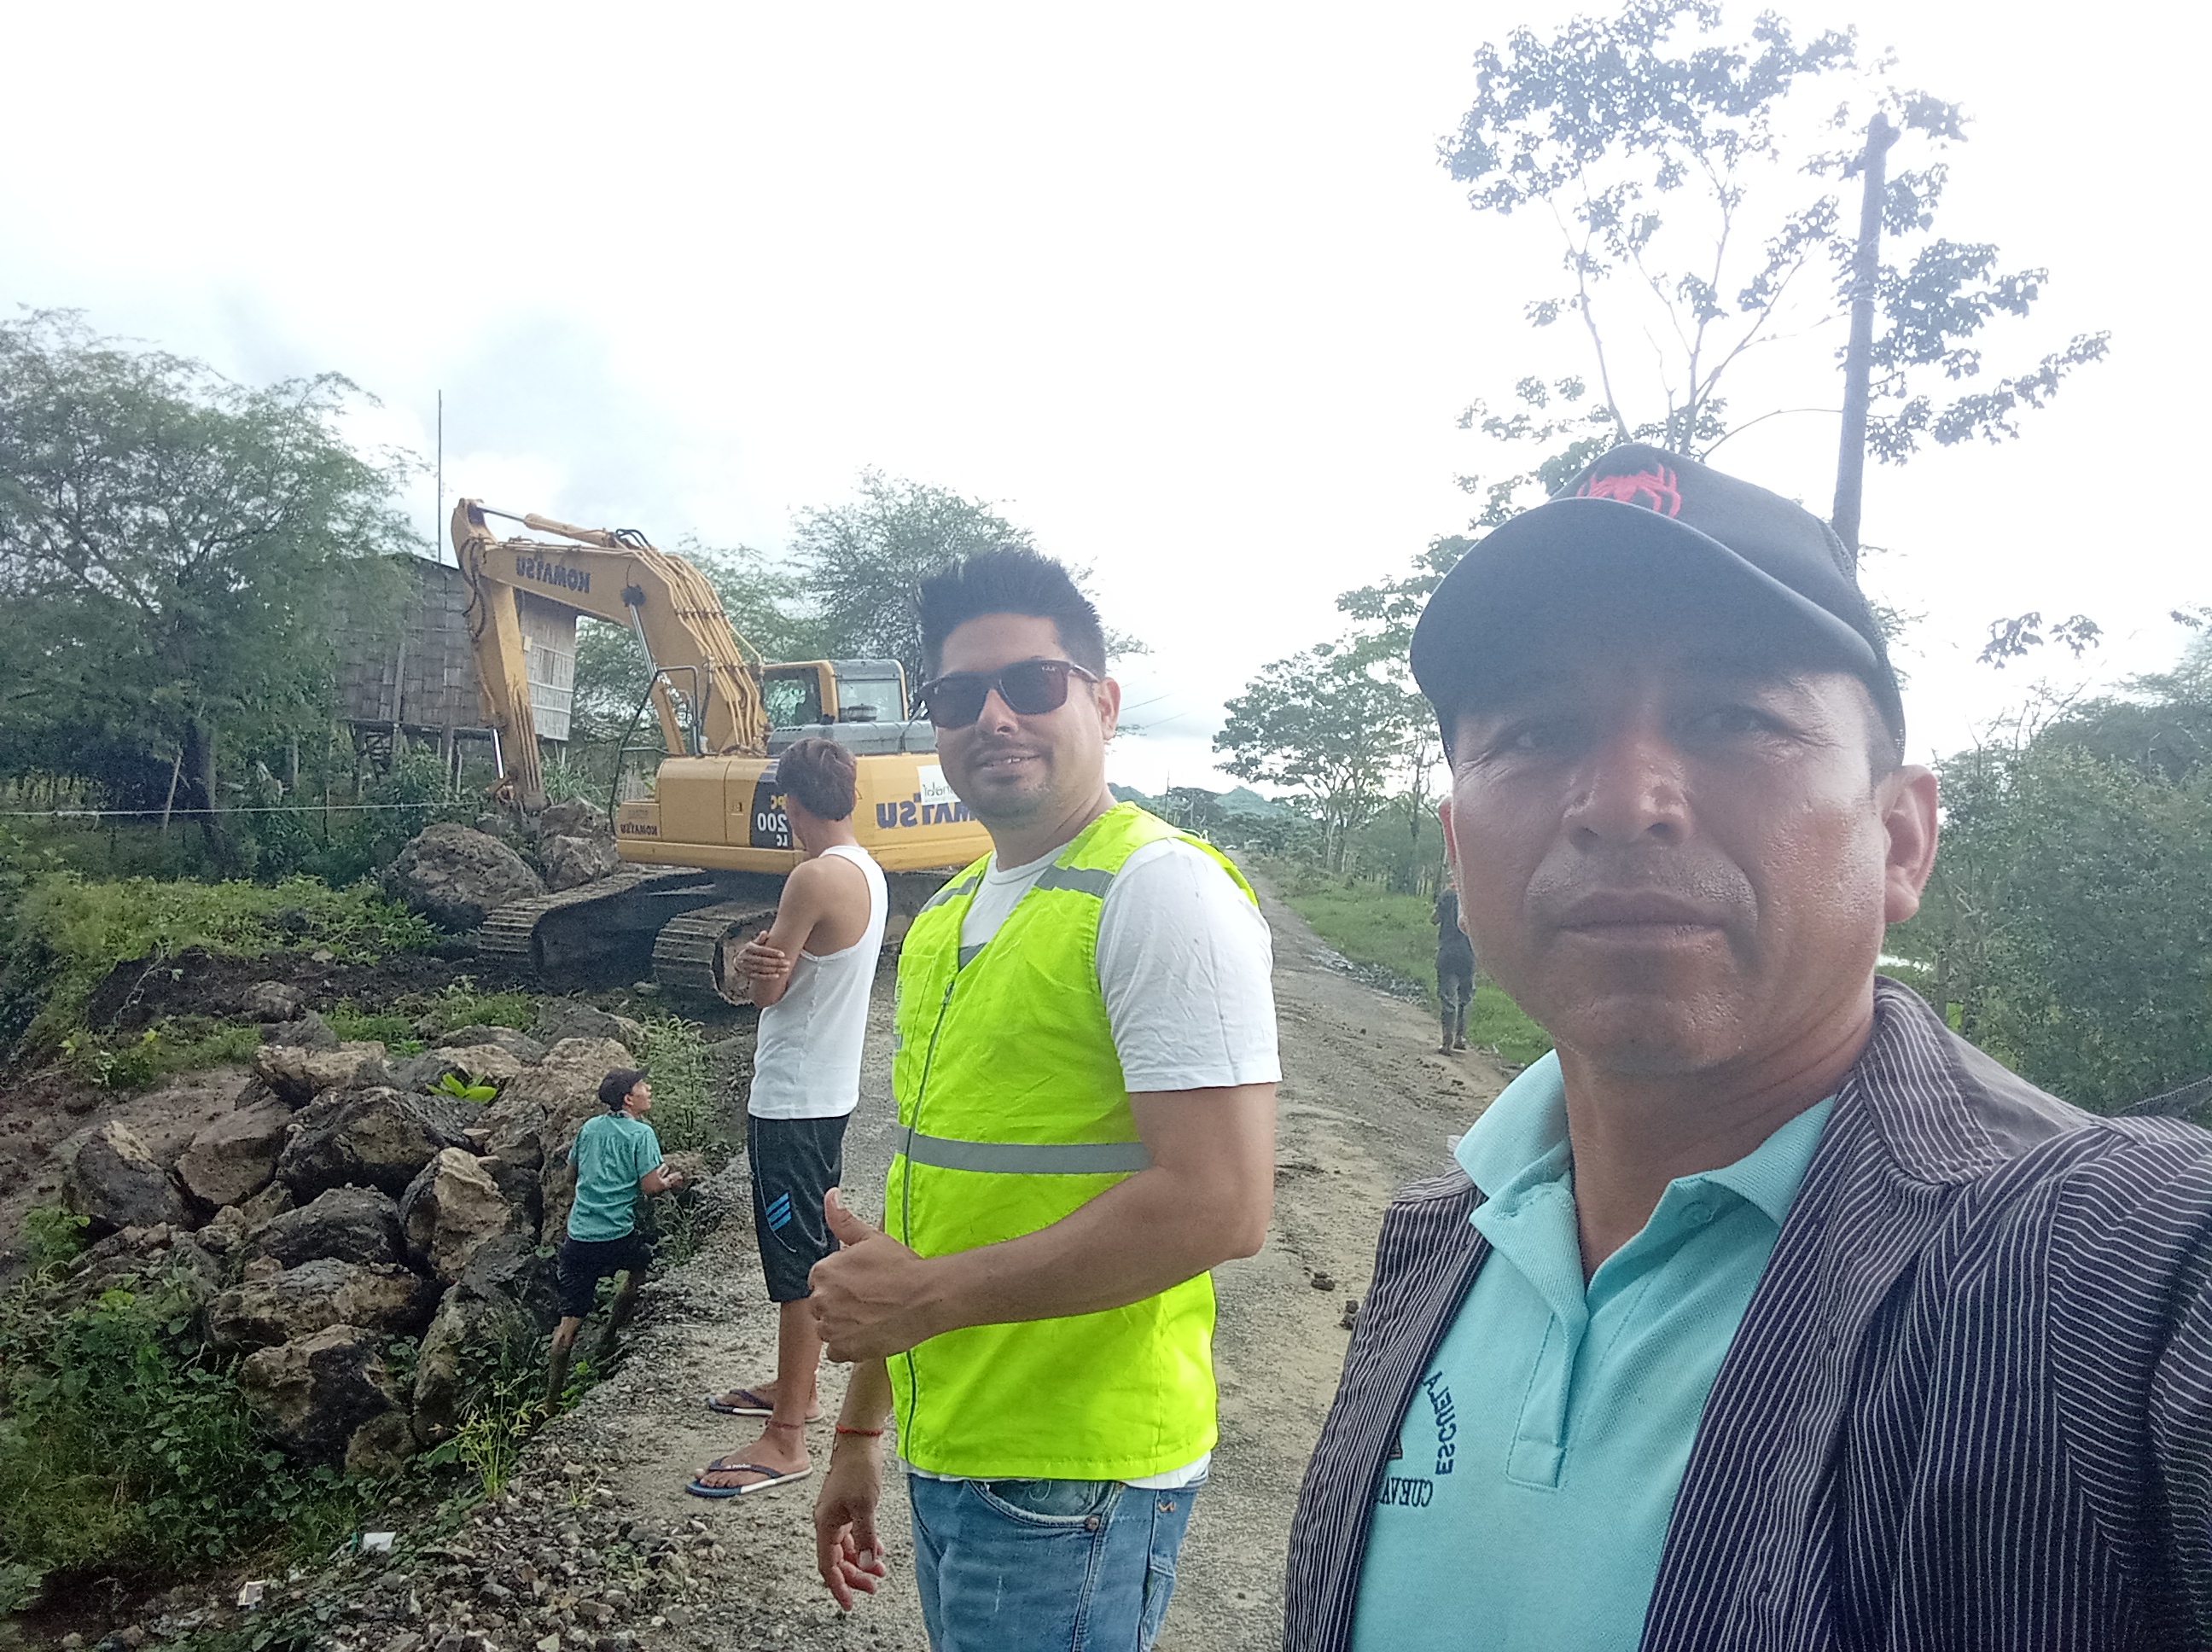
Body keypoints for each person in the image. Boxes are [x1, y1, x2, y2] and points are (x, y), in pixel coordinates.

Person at [1285, 444, 2212, 1650]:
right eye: (1536, 731)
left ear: (1901, 839)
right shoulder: (1445, 1234)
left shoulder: (2114, 1275)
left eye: (1733, 717)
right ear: (1459, 852)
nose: (1623, 802)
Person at [803, 548, 1280, 1652]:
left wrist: (928, 1302)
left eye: (1032, 682)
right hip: (956, 1445)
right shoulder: (952, 913)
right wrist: (862, 1433)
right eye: (959, 695)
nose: (995, 716)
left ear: (1102, 703)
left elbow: (1222, 1203)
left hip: (1074, 1479)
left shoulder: (1156, 890)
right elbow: (927, 1209)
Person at [690, 736, 889, 1498]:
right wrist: (764, 960)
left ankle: (788, 1438)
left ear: (789, 803)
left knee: (795, 1261)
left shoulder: (811, 877)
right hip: (828, 1091)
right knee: (806, 1237)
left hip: (791, 1099)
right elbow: (788, 968)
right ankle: (795, 1389)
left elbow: (766, 990)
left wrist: (749, 964)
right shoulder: (866, 869)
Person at [545, 1067, 684, 1411]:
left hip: (579, 1237)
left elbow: (570, 1175)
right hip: (616, 1235)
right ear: (628, 1099)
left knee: (567, 1325)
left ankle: (550, 1401)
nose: (648, 1089)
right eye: (642, 1085)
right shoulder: (642, 1134)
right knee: (639, 1268)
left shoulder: (590, 1127)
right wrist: (668, 1181)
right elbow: (649, 1186)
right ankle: (609, 1336)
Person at [1432, 881, 1476, 1054]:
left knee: (1448, 997)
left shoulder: (1447, 896)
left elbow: (1434, 919)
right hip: (1468, 955)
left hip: (1448, 954)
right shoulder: (1473, 898)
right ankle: (1460, 1038)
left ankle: (1447, 1042)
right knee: (1466, 997)